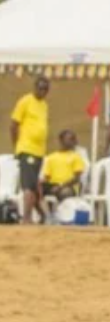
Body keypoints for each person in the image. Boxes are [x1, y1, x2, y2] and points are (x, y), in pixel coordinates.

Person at [10, 75, 49, 225]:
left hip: (39, 151)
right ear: (34, 87)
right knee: (28, 186)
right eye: (40, 88)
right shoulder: (25, 101)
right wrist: (17, 146)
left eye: (45, 89)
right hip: (27, 149)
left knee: (34, 185)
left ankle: (41, 215)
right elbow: (13, 125)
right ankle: (26, 218)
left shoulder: (44, 105)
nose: (42, 91)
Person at [39, 129, 88, 219]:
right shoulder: (51, 157)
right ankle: (46, 215)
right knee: (36, 189)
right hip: (53, 185)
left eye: (74, 139)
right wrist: (40, 183)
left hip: (69, 186)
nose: (74, 142)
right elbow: (47, 177)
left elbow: (77, 178)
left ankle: (62, 217)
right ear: (61, 140)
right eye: (71, 139)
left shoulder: (76, 157)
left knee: (64, 192)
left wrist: (61, 186)